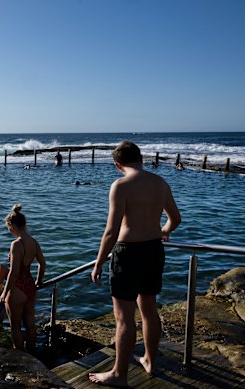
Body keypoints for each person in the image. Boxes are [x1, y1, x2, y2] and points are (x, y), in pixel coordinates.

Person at [89, 141, 181, 387]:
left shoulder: (120, 185)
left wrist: (98, 263)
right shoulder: (160, 183)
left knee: (124, 319)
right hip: (153, 250)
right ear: (141, 159)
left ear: (118, 165)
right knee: (149, 311)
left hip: (128, 253)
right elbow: (176, 219)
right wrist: (163, 230)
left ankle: (119, 374)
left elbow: (111, 231)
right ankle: (150, 360)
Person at [0, 204, 45, 352]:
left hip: (17, 287)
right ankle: (32, 354)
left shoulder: (16, 244)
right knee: (30, 324)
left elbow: (14, 272)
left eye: (8, 226)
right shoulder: (34, 242)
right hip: (30, 286)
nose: (8, 230)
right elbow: (42, 264)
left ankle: (21, 357)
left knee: (15, 326)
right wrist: (39, 280)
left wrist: (4, 292)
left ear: (12, 225)